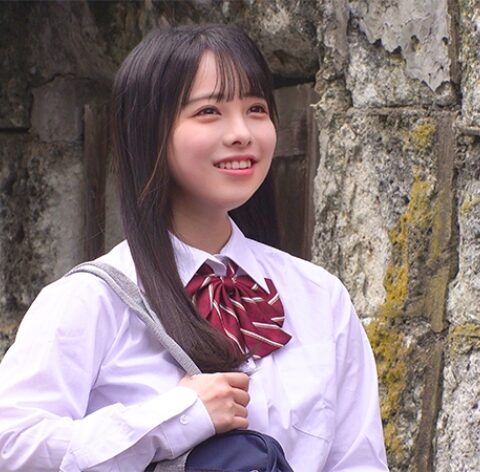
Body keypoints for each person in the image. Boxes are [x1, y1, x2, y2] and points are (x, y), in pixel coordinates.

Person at [0, 24, 389, 471]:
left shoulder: (320, 297)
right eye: (209, 111)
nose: (242, 133)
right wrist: (176, 417)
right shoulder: (91, 300)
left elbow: (359, 461)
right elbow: (12, 445)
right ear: (148, 131)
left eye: (256, 109)